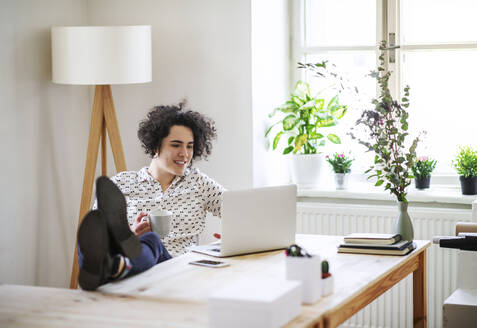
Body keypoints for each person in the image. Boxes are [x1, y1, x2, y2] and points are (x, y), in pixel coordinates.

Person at [78, 102, 225, 290]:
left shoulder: (199, 183)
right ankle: (112, 264)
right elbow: (96, 234)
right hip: (132, 272)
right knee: (94, 235)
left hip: (176, 271)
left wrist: (234, 238)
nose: (185, 154)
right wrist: (131, 233)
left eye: (190, 146)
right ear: (156, 146)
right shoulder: (122, 183)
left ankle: (115, 266)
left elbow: (239, 209)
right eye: (176, 145)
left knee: (152, 241)